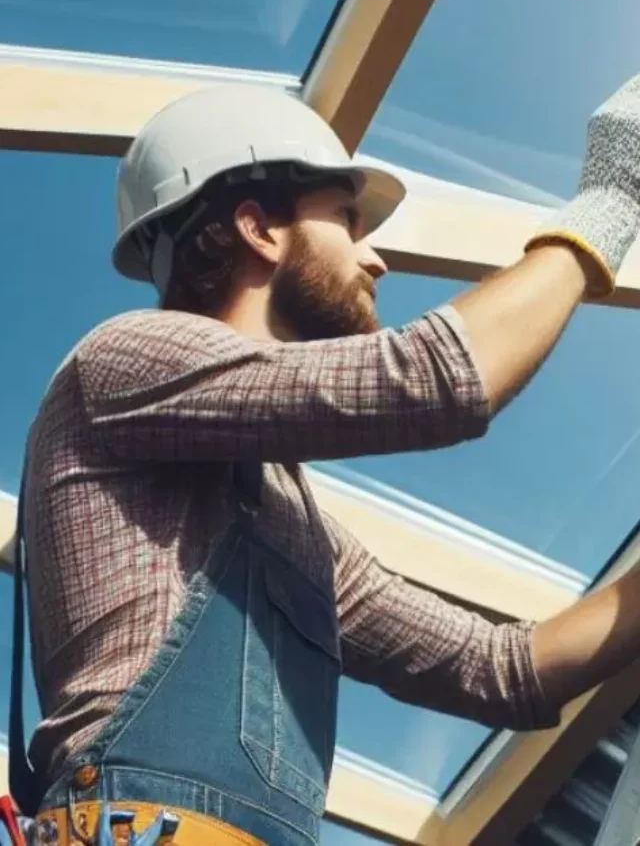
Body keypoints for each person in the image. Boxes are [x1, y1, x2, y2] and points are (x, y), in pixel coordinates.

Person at [15, 75, 640, 845]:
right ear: (259, 229)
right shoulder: (121, 360)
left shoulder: (290, 525)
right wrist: (615, 190)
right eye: (348, 219)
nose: (376, 259)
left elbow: (504, 667)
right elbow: (436, 379)